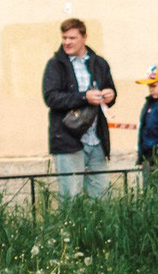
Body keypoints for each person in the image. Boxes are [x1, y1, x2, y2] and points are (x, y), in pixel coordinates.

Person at [42, 18, 117, 199]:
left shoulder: (100, 63)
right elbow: (51, 97)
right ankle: (70, 229)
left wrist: (110, 95)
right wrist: (84, 97)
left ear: (84, 37)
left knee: (102, 197)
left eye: (72, 38)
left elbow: (111, 91)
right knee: (70, 198)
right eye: (64, 38)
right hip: (67, 140)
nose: (67, 42)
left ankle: (97, 229)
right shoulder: (55, 65)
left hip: (96, 139)